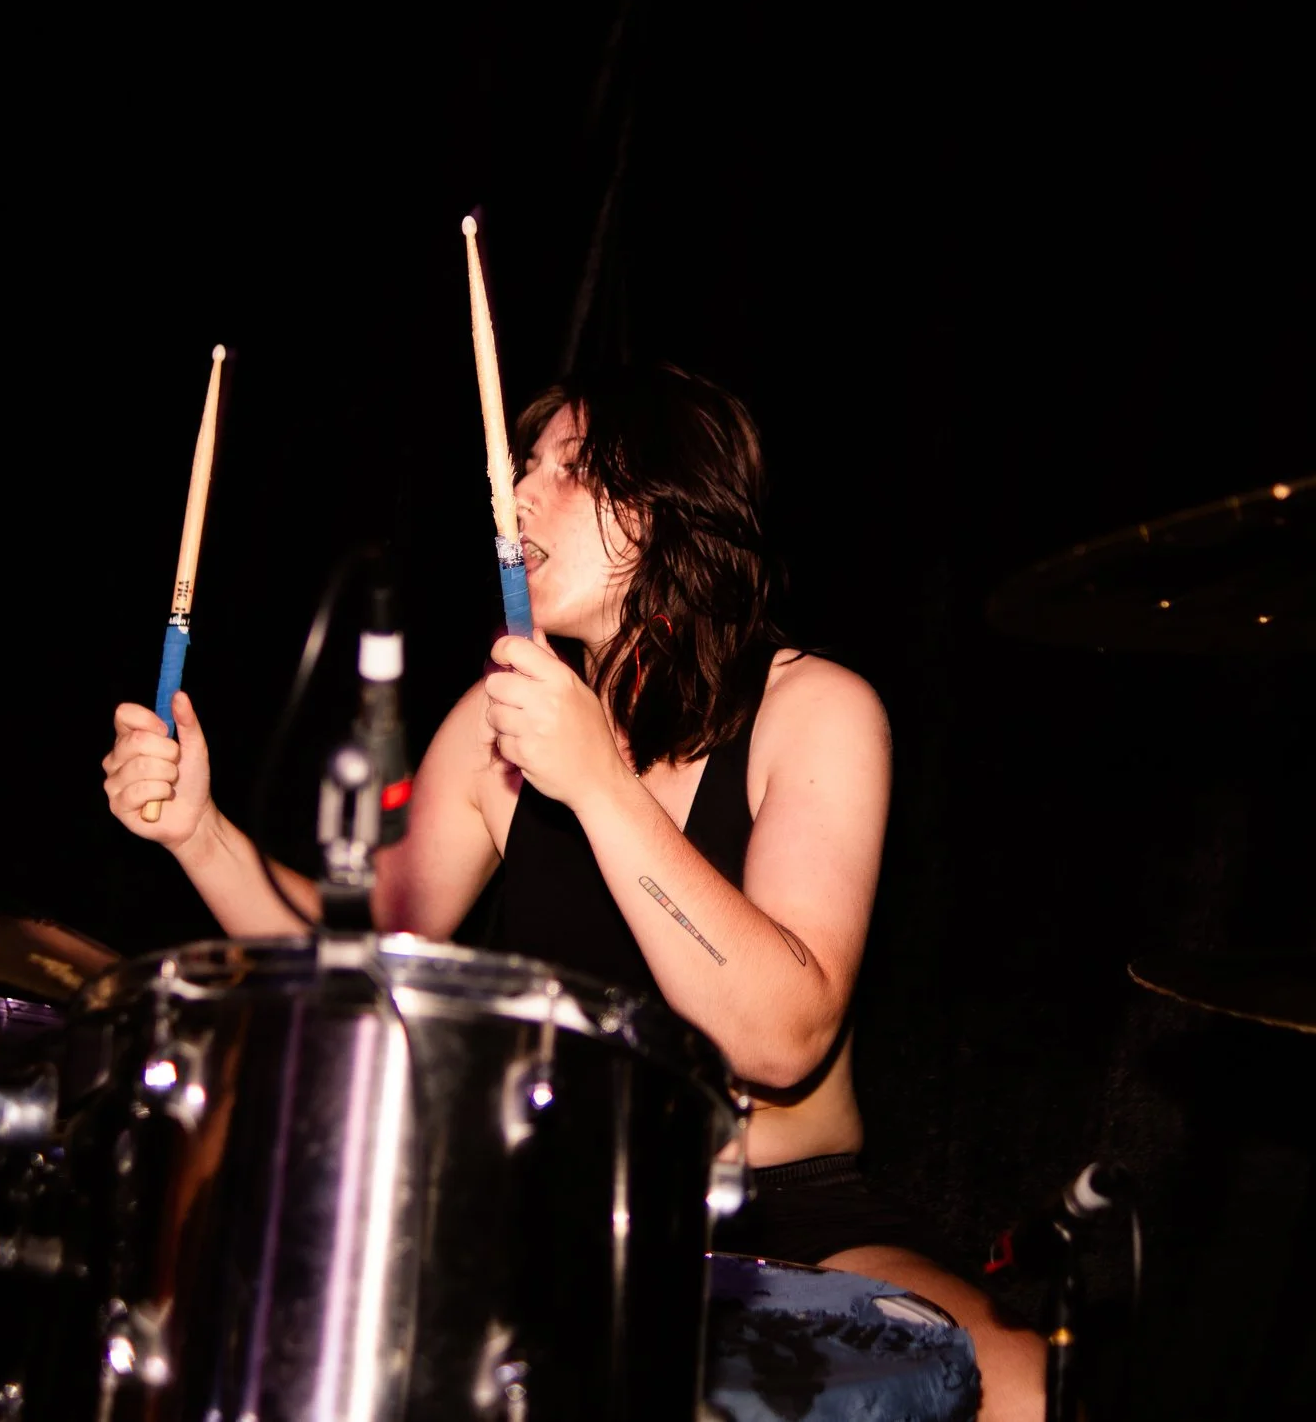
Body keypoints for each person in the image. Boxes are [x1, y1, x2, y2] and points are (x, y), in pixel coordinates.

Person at [102, 363, 1045, 1420]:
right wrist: (201, 831)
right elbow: (360, 964)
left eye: (567, 468)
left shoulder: (814, 708)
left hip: (789, 1208)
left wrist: (599, 782)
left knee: (1017, 1383)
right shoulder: (494, 726)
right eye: (522, 468)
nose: (517, 497)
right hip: (564, 1210)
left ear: (670, 504)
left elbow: (782, 1039)